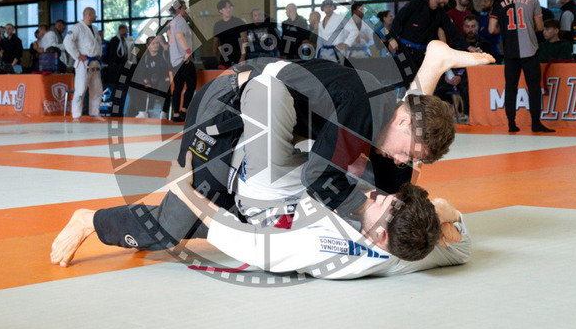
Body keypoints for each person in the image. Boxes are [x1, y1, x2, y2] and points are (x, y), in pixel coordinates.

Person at [51, 41, 493, 267]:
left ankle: (433, 63)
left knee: (386, 180)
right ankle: (90, 220)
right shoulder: (360, 110)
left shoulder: (385, 114)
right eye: (410, 152)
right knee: (175, 225)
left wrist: (430, 216)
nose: (403, 160)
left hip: (265, 120)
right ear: (403, 122)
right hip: (225, 110)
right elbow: (318, 181)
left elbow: (390, 175)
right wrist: (367, 218)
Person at [162, 154, 469, 279]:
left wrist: (183, 189)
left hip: (262, 210)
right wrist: (447, 212)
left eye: (382, 205)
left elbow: (251, 245)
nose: (378, 197)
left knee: (160, 224)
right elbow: (462, 249)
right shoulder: (413, 248)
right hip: (304, 194)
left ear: (380, 235)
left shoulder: (330, 249)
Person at [488, 0, 554, 133]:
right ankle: (536, 123)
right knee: (533, 87)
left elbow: (491, 29)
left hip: (509, 52)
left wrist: (505, 30)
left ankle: (511, 123)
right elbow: (540, 27)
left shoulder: (498, 1)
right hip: (530, 50)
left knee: (511, 87)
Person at [387, 0, 474, 84]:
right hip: (405, 50)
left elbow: (453, 32)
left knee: (427, 82)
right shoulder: (415, 5)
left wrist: (468, 46)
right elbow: (398, 19)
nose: (446, 1)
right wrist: (391, 38)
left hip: (423, 53)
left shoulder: (441, 14)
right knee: (410, 80)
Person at [434, 15, 492, 119]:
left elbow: (485, 66)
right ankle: (440, 116)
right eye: (467, 26)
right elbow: (450, 62)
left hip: (472, 77)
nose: (470, 30)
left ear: (477, 27)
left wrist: (461, 77)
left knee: (466, 86)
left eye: (473, 26)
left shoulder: (484, 44)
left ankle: (467, 115)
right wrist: (447, 76)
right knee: (437, 87)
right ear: (463, 27)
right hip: (454, 77)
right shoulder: (458, 44)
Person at [63, 7, 105, 122]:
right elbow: (67, 42)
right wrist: (77, 55)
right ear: (89, 14)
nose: (96, 16)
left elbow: (98, 43)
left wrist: (99, 53)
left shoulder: (95, 28)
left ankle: (95, 113)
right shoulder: (77, 28)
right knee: (80, 89)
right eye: (94, 14)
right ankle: (76, 115)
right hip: (83, 63)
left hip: (95, 62)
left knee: (97, 89)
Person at [167, 0, 196, 122]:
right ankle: (183, 111)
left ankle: (176, 114)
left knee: (178, 87)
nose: (186, 10)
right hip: (183, 58)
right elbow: (179, 36)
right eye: (184, 8)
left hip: (174, 60)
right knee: (191, 84)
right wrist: (188, 51)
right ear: (178, 9)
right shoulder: (180, 20)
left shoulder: (172, 22)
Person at [212, 0, 248, 67]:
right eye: (226, 8)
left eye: (230, 7)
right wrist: (214, 59)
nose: (229, 10)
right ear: (220, 10)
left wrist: (243, 57)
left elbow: (245, 40)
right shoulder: (218, 25)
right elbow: (215, 43)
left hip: (238, 57)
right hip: (224, 58)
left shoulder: (239, 22)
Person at [478, 0, 503, 64]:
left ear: (492, 2)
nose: (483, 4)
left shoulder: (499, 17)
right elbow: (479, 32)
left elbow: (490, 32)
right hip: (482, 51)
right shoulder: (483, 16)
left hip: (494, 51)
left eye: (486, 2)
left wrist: (484, 30)